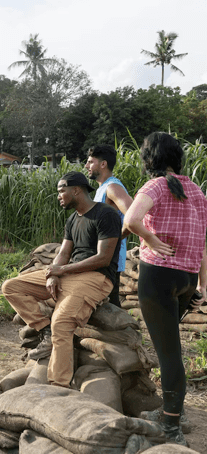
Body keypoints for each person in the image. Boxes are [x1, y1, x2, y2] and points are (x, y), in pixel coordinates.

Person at [123, 132, 207, 446]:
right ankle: (176, 411)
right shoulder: (196, 191)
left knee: (170, 354)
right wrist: (203, 285)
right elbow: (202, 243)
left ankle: (171, 426)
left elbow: (131, 218)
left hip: (158, 277)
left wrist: (152, 239)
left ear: (151, 159)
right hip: (186, 278)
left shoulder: (155, 186)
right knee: (171, 348)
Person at [1, 171, 120, 388]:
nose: (59, 196)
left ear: (76, 190)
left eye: (61, 191)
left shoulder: (106, 214)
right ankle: (43, 328)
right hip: (70, 274)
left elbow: (103, 258)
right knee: (11, 286)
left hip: (96, 278)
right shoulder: (73, 219)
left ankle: (58, 385)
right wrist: (54, 273)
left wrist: (62, 270)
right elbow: (63, 252)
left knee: (62, 322)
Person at [85, 145, 133, 307]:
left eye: (91, 162)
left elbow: (133, 216)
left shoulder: (113, 188)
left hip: (108, 261)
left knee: (111, 309)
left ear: (103, 164)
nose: (86, 166)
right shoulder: (102, 189)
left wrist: (115, 239)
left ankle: (126, 333)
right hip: (100, 258)